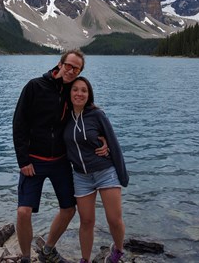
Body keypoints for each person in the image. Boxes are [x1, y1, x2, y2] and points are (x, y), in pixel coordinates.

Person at [12, 50, 108, 263]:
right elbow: (19, 124)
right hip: (33, 161)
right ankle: (26, 258)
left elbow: (89, 112)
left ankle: (47, 250)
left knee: (68, 209)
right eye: (69, 66)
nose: (71, 71)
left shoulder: (71, 91)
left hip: (61, 162)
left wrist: (104, 138)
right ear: (60, 64)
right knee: (23, 212)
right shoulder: (34, 86)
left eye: (76, 68)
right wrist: (23, 160)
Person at [63, 76, 129, 263]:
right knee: (86, 221)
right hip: (80, 177)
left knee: (114, 219)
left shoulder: (97, 115)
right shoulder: (64, 117)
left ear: (89, 94)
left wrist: (122, 175)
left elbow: (113, 142)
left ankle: (118, 251)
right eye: (75, 89)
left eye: (84, 90)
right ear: (69, 93)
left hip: (105, 171)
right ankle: (85, 259)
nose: (79, 93)